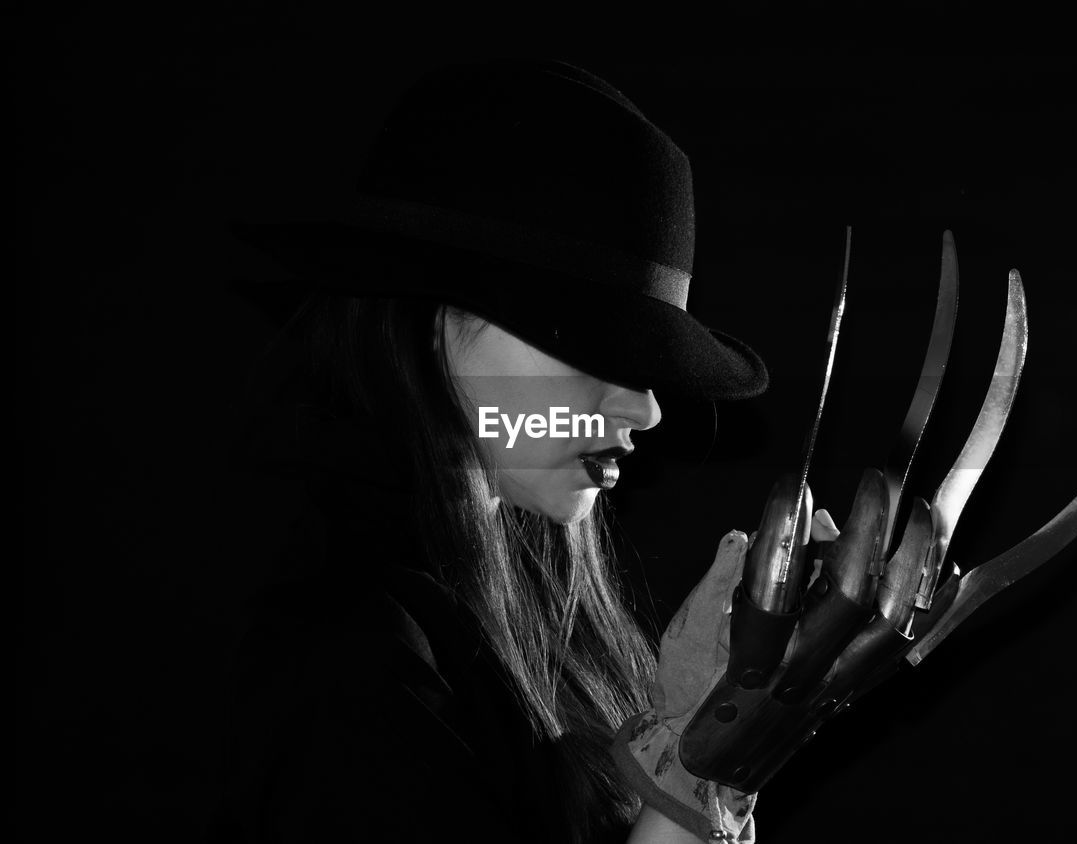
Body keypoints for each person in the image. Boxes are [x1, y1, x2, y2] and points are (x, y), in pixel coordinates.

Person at [212, 59, 839, 842]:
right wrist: (697, 776)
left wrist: (706, 753)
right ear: (436, 321)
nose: (644, 407)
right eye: (588, 344)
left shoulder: (525, 631)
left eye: (645, 362)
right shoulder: (349, 664)